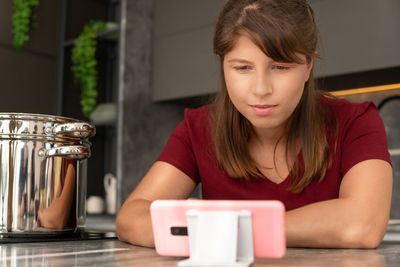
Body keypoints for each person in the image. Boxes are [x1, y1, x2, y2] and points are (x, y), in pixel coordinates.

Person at [116, 0, 392, 249]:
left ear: (308, 65)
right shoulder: (198, 128)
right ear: (223, 65)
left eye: (280, 67)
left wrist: (231, 229)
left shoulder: (356, 121)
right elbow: (132, 218)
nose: (261, 89)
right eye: (242, 68)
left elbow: (363, 225)